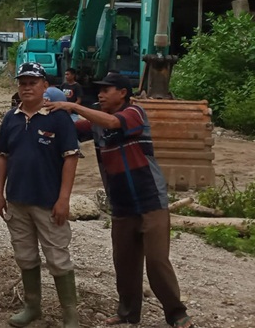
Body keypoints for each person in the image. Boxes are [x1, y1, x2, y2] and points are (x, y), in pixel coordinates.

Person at [46, 72, 193, 328]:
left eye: (106, 90)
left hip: (150, 200)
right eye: (99, 91)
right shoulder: (96, 122)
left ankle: (176, 313)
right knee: (124, 262)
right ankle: (128, 313)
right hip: (122, 204)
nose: (100, 94)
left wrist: (72, 105)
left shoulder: (135, 113)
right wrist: (43, 112)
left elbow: (113, 123)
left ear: (123, 93)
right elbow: (69, 130)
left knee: (157, 261)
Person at [0, 62, 80, 328]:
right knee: (25, 255)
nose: (27, 87)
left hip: (48, 201)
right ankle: (32, 306)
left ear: (45, 86)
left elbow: (71, 158)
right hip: (17, 200)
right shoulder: (11, 118)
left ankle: (70, 315)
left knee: (57, 257)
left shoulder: (58, 117)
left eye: (33, 82)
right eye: (23, 83)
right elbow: (2, 156)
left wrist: (64, 198)